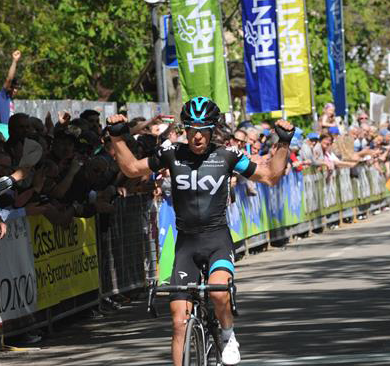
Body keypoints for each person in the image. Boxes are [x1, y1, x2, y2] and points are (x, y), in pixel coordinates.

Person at [106, 96, 295, 366]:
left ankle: (228, 335)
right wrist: (117, 138)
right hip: (186, 244)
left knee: (218, 292)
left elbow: (269, 176)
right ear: (185, 130)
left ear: (211, 130)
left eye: (203, 130)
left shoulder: (227, 155)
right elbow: (132, 168)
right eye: (192, 130)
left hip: (217, 239)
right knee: (178, 320)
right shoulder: (171, 153)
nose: (197, 137)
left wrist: (283, 143)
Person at [0, 50, 21, 139]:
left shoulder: (10, 100)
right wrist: (14, 61)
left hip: (10, 130)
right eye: (13, 87)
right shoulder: (3, 96)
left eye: (17, 88)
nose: (15, 90)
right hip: (3, 130)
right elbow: (9, 79)